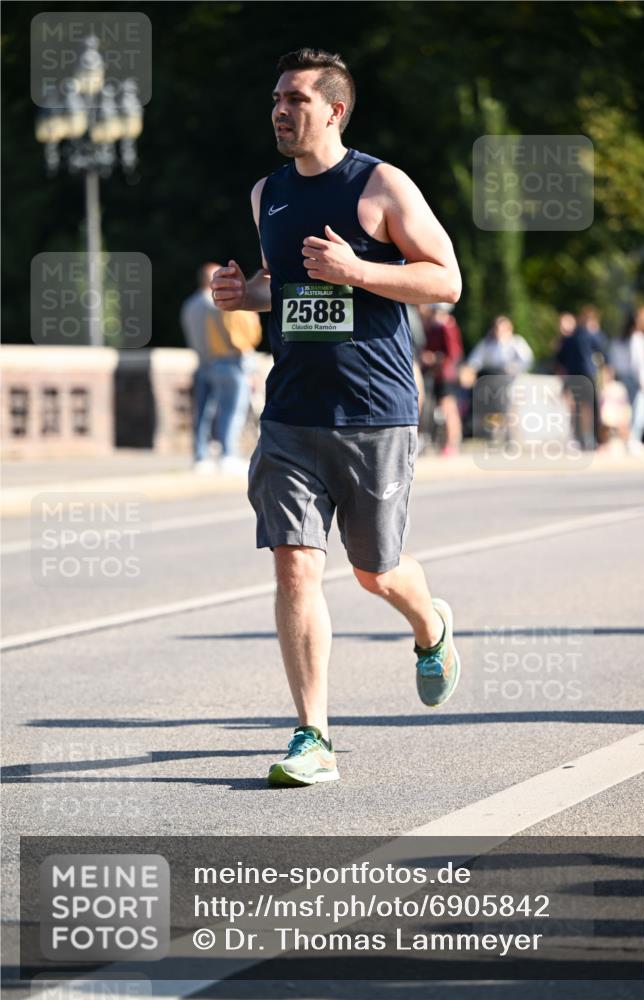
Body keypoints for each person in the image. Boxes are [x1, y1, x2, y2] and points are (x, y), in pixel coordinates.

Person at [211, 47, 463, 787]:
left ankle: (430, 625)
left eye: (295, 99)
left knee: (374, 572)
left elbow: (444, 278)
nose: (280, 112)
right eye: (275, 100)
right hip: (291, 411)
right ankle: (310, 734)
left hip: (375, 411)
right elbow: (283, 285)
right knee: (295, 568)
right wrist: (244, 293)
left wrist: (359, 270)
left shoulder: (380, 184)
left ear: (334, 110)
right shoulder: (269, 194)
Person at [180, 263, 262, 474]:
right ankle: (228, 454)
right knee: (231, 411)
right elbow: (237, 338)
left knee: (203, 413)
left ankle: (200, 456)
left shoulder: (189, 305)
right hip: (228, 361)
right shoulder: (218, 304)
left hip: (203, 363)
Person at [554, 308, 607, 451]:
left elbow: (560, 360)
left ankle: (581, 439)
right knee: (592, 408)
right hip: (588, 375)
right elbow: (603, 353)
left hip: (574, 376)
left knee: (577, 409)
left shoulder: (569, 339)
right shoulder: (590, 336)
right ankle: (595, 440)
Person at [609, 306, 644, 453]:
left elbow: (614, 360)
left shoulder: (620, 339)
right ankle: (633, 440)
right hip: (638, 380)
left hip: (624, 378)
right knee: (640, 411)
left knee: (626, 411)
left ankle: (627, 440)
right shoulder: (637, 338)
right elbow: (640, 362)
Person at [420, 303, 464, 455]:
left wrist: (434, 359)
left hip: (446, 374)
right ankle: (447, 442)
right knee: (444, 408)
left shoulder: (446, 326)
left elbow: (453, 354)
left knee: (448, 408)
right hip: (438, 374)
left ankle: (452, 442)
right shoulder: (435, 327)